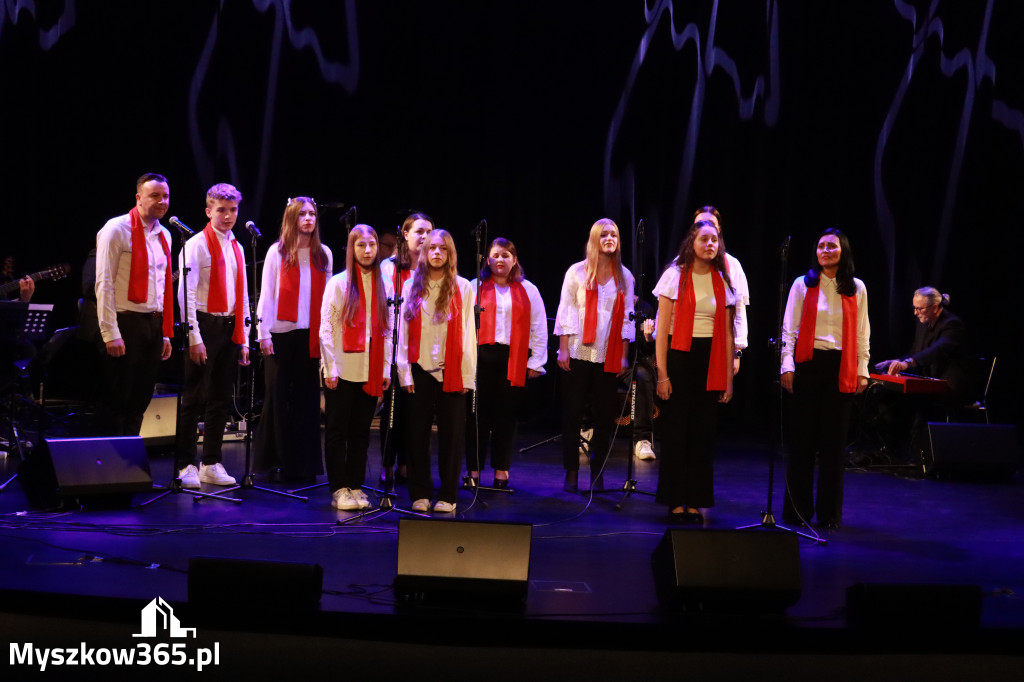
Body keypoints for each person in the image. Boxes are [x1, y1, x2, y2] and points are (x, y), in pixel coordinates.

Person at [780, 228, 870, 530]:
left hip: (840, 366)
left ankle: (829, 514)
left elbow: (861, 333)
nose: (826, 251)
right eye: (821, 246)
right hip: (808, 363)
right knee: (802, 442)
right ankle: (797, 511)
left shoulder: (856, 288)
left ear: (843, 250)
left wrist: (862, 370)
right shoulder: (802, 285)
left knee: (834, 445)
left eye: (832, 246)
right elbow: (789, 330)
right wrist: (786, 365)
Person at [653, 220, 737, 522]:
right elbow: (661, 332)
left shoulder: (723, 280)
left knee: (703, 435)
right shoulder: (674, 276)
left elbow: (728, 335)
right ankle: (676, 499)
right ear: (692, 242)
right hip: (679, 356)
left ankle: (696, 499)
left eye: (714, 240)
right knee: (676, 433)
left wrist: (728, 379)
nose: (709, 244)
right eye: (704, 239)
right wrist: (662, 374)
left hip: (710, 359)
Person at [175, 183, 251, 488]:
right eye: (222, 210)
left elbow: (242, 294)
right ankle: (184, 464)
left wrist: (243, 337)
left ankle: (211, 462)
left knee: (220, 398)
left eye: (233, 210)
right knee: (194, 397)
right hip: (203, 324)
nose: (229, 216)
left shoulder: (238, 246)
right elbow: (186, 294)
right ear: (209, 211)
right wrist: (194, 337)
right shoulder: (195, 245)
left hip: (229, 325)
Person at [397, 229, 476, 513]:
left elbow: (468, 334)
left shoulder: (463, 287)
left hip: (452, 368)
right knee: (417, 433)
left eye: (443, 249)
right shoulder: (410, 287)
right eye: (432, 248)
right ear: (423, 252)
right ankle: (419, 492)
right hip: (419, 367)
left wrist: (467, 375)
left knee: (452, 435)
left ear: (450, 253)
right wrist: (404, 371)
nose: (437, 253)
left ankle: (447, 494)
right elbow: (403, 332)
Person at [554, 218, 635, 493]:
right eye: (604, 234)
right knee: (573, 414)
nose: (610, 238)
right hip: (577, 350)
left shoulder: (625, 277)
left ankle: (597, 473)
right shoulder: (576, 272)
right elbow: (566, 309)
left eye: (614, 234)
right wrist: (563, 347)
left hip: (607, 354)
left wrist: (624, 354)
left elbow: (627, 320)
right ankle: (572, 471)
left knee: (604, 417)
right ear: (595, 239)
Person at [256, 197, 333, 482]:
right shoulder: (277, 253)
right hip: (280, 334)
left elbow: (327, 302)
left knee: (307, 399)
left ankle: (304, 464)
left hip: (310, 335)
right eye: (302, 214)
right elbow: (266, 295)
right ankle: (276, 462)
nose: (309, 219)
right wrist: (262, 333)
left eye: (312, 214)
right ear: (292, 219)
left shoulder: (323, 254)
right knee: (277, 398)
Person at [94, 173, 174, 436]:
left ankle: (129, 463)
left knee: (140, 400)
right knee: (118, 399)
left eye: (165, 196)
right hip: (124, 322)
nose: (162, 201)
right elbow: (104, 282)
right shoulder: (116, 229)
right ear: (138, 198)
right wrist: (110, 332)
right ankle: (108, 466)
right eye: (155, 195)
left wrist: (164, 332)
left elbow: (161, 288)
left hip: (151, 324)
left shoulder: (165, 236)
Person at [320, 225, 393, 510]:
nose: (367, 250)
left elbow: (385, 331)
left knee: (361, 432)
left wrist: (385, 369)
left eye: (372, 244)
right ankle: (339, 488)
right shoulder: (339, 283)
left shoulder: (381, 284)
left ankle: (356, 485)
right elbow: (327, 328)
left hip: (369, 368)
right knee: (338, 430)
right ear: (352, 249)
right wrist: (330, 368)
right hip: (341, 367)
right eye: (361, 245)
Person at [466, 237, 548, 488]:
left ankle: (502, 470)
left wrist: (536, 361)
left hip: (513, 358)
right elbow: (464, 326)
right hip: (481, 357)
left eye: (505, 255)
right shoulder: (474, 286)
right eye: (495, 255)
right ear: (487, 259)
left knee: (506, 417)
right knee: (477, 417)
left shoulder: (529, 289)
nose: (500, 259)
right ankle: (474, 471)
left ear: (514, 260)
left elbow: (539, 326)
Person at [379, 213, 434, 484]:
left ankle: (407, 464)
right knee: (392, 411)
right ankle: (387, 463)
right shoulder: (388, 268)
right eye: (419, 231)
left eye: (429, 232)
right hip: (393, 349)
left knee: (416, 414)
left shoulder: (434, 268)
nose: (424, 237)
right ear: (405, 234)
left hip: (421, 353)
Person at [875, 287, 968, 402]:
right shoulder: (923, 323)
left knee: (907, 402)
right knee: (884, 395)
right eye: (914, 308)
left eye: (919, 309)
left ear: (934, 307)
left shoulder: (952, 324)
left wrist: (907, 363)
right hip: (928, 384)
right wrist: (899, 361)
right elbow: (916, 353)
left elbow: (937, 350)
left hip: (949, 388)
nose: (915, 313)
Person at [692, 206, 749, 374]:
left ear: (718, 229)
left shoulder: (732, 265)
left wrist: (736, 353)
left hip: (720, 345)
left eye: (710, 223)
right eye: (700, 223)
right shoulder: (680, 265)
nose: (705, 226)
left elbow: (739, 311)